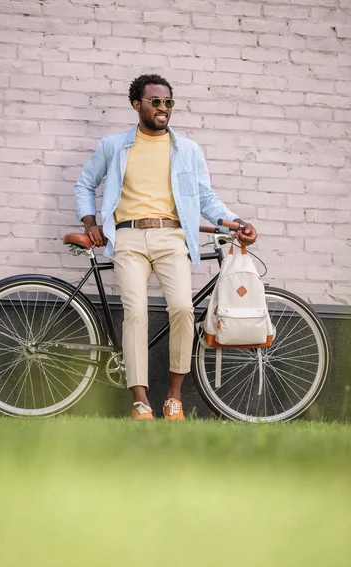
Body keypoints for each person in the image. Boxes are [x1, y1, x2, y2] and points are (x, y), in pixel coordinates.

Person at [74, 73, 257, 421]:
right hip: (127, 238)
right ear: (137, 105)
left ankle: (174, 397)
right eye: (155, 102)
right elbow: (84, 184)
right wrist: (90, 222)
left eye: (168, 102)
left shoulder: (187, 149)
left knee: (183, 309)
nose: (162, 108)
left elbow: (206, 198)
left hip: (172, 238)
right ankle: (140, 400)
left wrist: (236, 221)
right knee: (136, 313)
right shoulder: (114, 145)